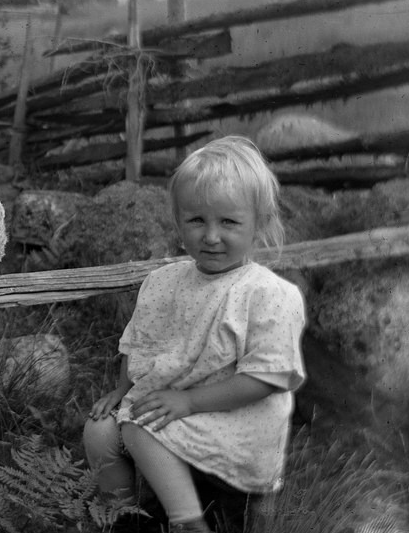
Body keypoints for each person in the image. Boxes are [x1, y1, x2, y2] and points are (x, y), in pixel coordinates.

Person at [83, 136, 306, 533]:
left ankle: (188, 523)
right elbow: (138, 345)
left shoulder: (268, 293)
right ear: (178, 221)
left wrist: (187, 402)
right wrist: (123, 390)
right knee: (99, 431)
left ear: (261, 224)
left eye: (230, 222)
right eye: (197, 220)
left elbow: (269, 377)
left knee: (137, 423)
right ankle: (126, 519)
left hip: (238, 422)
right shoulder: (162, 281)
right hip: (179, 410)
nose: (211, 236)